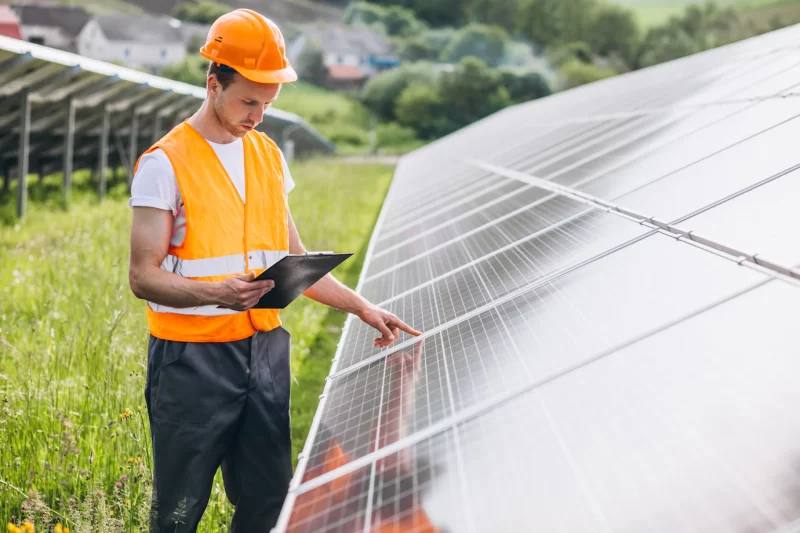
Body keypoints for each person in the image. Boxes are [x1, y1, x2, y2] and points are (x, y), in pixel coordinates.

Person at [126, 9, 420, 533]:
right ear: (213, 83)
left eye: (268, 104)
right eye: (248, 101)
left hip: (262, 355)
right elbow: (142, 277)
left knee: (269, 502)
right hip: (190, 363)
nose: (258, 116)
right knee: (178, 509)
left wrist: (363, 308)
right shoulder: (164, 164)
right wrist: (215, 292)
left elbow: (295, 262)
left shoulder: (267, 157)